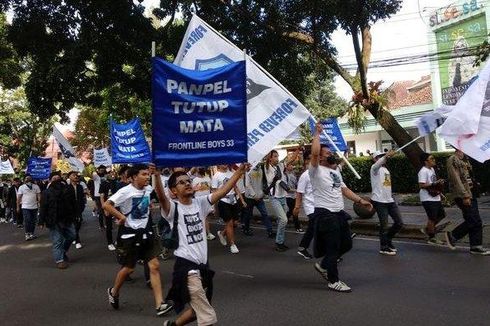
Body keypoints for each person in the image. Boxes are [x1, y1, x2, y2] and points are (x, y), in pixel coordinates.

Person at [156, 163, 247, 326]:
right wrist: (156, 176)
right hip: (186, 268)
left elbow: (223, 191)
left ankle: (172, 325)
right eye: (181, 182)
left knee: (196, 312)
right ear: (174, 191)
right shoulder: (172, 208)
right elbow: (161, 197)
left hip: (203, 266)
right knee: (207, 316)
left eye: (188, 180)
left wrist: (239, 172)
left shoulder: (201, 203)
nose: (187, 183)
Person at [310, 122, 373, 292]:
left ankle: (324, 266)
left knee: (346, 244)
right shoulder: (315, 170)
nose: (331, 155)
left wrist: (360, 201)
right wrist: (317, 133)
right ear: (321, 158)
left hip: (338, 213)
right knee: (333, 247)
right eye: (328, 153)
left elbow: (344, 189)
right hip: (325, 213)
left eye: (331, 153)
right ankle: (333, 280)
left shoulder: (335, 171)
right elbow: (314, 153)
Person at [103, 164, 173, 316]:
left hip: (146, 233)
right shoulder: (125, 191)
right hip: (130, 235)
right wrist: (121, 216)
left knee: (154, 266)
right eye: (144, 174)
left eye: (148, 174)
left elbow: (161, 198)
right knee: (129, 268)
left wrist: (157, 175)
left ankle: (160, 304)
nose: (147, 177)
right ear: (134, 177)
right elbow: (106, 205)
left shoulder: (148, 189)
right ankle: (114, 292)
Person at [445, 149, 489, 255]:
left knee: (474, 219)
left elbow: (467, 177)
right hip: (463, 194)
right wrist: (465, 196)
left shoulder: (465, 158)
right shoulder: (453, 159)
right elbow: (456, 179)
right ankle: (453, 235)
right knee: (474, 220)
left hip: (470, 192)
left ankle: (476, 246)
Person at [39, 172, 76, 269]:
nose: (56, 180)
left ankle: (62, 251)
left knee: (72, 236)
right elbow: (43, 207)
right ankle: (59, 260)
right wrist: (41, 221)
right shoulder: (46, 192)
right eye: (54, 178)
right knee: (57, 240)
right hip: (53, 220)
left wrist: (76, 214)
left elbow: (72, 203)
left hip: (67, 219)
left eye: (58, 178)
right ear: (50, 180)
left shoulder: (67, 189)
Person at [264, 149, 299, 251]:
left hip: (283, 197)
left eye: (277, 156)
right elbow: (276, 181)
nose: (277, 158)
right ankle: (279, 242)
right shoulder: (267, 168)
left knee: (282, 221)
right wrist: (292, 190)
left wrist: (298, 149)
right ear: (270, 158)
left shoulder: (280, 166)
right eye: (275, 156)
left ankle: (280, 242)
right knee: (284, 220)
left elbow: (291, 160)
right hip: (274, 197)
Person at [370, 150, 403, 255]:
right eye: (379, 157)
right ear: (375, 159)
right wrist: (386, 156)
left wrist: (391, 196)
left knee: (399, 222)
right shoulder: (374, 169)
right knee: (384, 225)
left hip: (389, 200)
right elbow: (378, 163)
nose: (381, 158)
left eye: (382, 156)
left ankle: (387, 240)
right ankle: (383, 247)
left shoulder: (385, 170)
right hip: (379, 201)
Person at [211, 165, 245, 254]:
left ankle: (222, 233)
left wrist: (241, 199)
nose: (225, 163)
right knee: (229, 223)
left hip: (233, 200)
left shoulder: (232, 173)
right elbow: (214, 193)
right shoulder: (216, 176)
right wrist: (215, 207)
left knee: (235, 223)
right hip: (223, 201)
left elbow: (235, 187)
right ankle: (232, 245)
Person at [418, 153, 447, 245]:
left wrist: (440, 192)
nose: (434, 160)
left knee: (442, 215)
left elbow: (433, 183)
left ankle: (428, 229)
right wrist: (434, 184)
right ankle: (432, 237)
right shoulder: (423, 171)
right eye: (431, 159)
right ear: (426, 161)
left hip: (435, 196)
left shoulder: (432, 169)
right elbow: (421, 185)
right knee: (432, 218)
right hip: (427, 198)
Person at [242, 164, 275, 238]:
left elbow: (263, 182)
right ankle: (246, 228)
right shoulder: (248, 170)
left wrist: (262, 193)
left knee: (264, 213)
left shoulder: (261, 169)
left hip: (259, 196)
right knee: (248, 214)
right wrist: (254, 195)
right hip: (250, 197)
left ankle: (270, 231)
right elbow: (247, 184)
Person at [295, 150, 315, 259]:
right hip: (310, 207)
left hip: (320, 206)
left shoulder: (317, 172)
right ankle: (303, 247)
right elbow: (299, 192)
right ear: (307, 160)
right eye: (311, 157)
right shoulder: (305, 175)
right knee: (314, 226)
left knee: (315, 228)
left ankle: (303, 247)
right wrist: (297, 207)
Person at [191, 167, 215, 241]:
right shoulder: (194, 180)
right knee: (203, 217)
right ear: (197, 170)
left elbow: (211, 190)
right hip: (198, 201)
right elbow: (191, 192)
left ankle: (204, 233)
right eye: (199, 168)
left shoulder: (208, 178)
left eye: (202, 167)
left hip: (207, 200)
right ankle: (208, 233)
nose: (201, 169)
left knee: (205, 217)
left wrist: (213, 204)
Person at [17, 175, 41, 241]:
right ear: (24, 179)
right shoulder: (21, 187)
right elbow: (19, 198)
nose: (28, 179)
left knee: (33, 221)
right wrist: (17, 207)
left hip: (34, 207)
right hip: (25, 207)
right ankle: (27, 234)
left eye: (29, 178)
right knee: (27, 220)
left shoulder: (36, 186)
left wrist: (39, 201)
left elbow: (39, 195)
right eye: (27, 178)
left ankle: (31, 234)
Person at [65, 171, 86, 249]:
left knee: (79, 223)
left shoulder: (80, 187)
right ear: (69, 177)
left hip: (79, 208)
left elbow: (82, 198)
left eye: (76, 175)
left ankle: (74, 236)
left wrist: (82, 206)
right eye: (74, 175)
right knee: (74, 224)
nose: (76, 176)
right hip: (70, 209)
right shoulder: (66, 187)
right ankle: (77, 240)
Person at [284, 161, 303, 233]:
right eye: (290, 165)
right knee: (294, 211)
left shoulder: (293, 174)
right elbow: (287, 188)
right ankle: (297, 227)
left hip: (294, 196)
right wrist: (296, 190)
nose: (292, 166)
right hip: (288, 196)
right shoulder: (284, 175)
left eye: (292, 165)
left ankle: (283, 221)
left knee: (290, 211)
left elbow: (296, 184)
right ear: (286, 166)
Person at [93, 165, 107, 229]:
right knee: (101, 211)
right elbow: (93, 174)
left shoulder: (105, 176)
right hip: (98, 195)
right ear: (98, 170)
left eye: (103, 169)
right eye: (101, 169)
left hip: (105, 195)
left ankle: (107, 224)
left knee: (106, 210)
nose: (102, 170)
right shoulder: (96, 176)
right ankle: (101, 225)